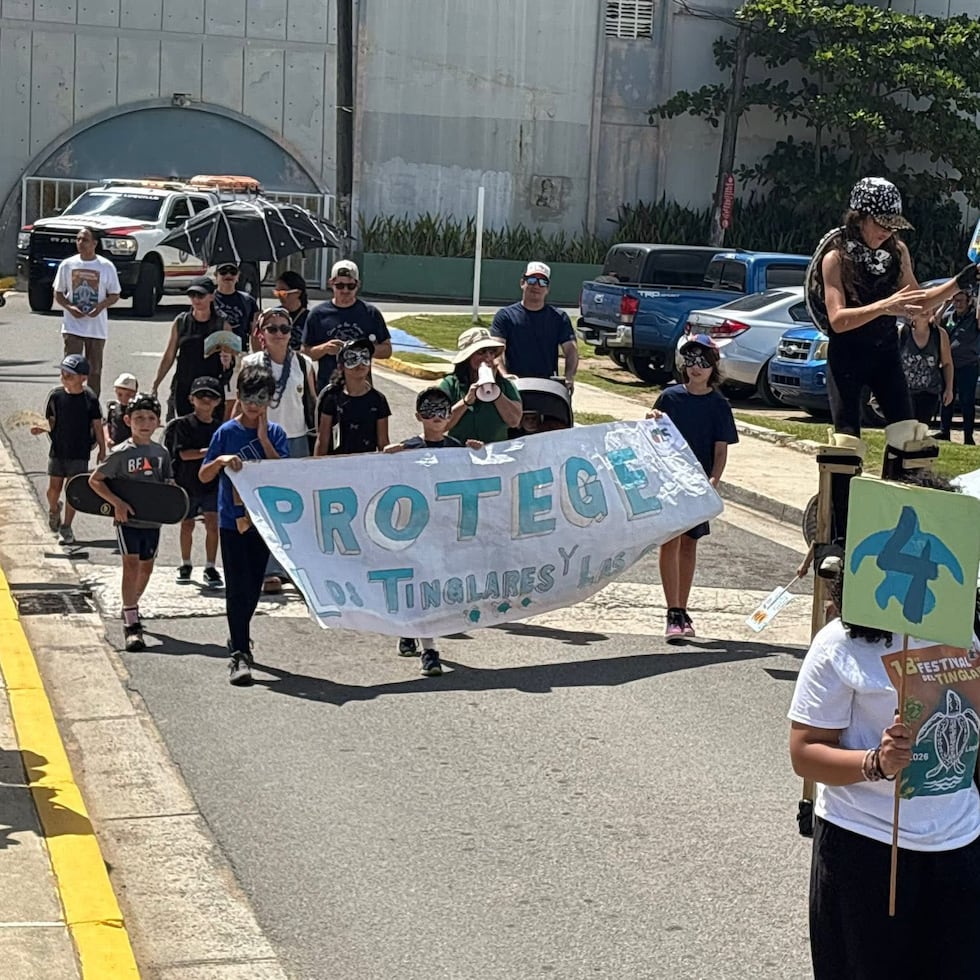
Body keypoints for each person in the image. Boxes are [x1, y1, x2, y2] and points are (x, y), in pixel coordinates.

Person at [788, 533, 980, 979]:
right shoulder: (840, 643)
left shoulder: (965, 630)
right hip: (867, 849)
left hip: (959, 844)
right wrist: (876, 762)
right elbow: (804, 753)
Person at [806, 176, 978, 439]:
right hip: (846, 356)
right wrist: (885, 306)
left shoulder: (897, 253)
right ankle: (842, 479)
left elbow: (919, 303)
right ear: (859, 217)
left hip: (885, 354)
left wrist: (957, 284)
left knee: (907, 438)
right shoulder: (836, 258)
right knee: (845, 443)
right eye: (880, 223)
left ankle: (903, 476)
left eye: (892, 225)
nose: (886, 231)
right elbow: (838, 320)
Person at [383, 387, 484, 676]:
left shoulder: (457, 449)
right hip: (413, 531)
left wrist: (478, 455)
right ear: (418, 416)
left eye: (443, 409)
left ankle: (412, 630)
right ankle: (429, 650)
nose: (437, 416)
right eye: (430, 410)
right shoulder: (408, 449)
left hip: (444, 532)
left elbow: (478, 478)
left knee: (432, 588)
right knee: (419, 584)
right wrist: (389, 457)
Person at [199, 365, 289, 687]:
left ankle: (239, 632)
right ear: (239, 396)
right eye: (248, 397)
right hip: (230, 520)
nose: (254, 404)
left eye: (261, 398)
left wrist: (264, 441)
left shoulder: (276, 434)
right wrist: (221, 461)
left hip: (262, 521)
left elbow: (284, 475)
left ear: (269, 400)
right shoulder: (226, 433)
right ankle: (240, 650)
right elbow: (204, 475)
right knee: (237, 586)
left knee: (253, 585)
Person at [648, 335, 738, 643]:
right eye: (690, 361)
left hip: (697, 485)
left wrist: (714, 480)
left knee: (690, 543)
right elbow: (652, 435)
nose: (695, 368)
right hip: (669, 482)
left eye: (702, 362)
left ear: (713, 367)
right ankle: (672, 611)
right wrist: (653, 420)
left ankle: (683, 608)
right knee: (669, 542)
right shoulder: (670, 398)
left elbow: (721, 449)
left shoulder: (719, 405)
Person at [88, 393, 172, 652]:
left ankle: (132, 603)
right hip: (128, 522)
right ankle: (131, 620)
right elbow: (95, 480)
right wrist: (117, 503)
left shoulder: (161, 453)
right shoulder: (120, 453)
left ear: (158, 422)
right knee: (131, 565)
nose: (144, 423)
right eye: (138, 418)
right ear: (128, 420)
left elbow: (167, 483)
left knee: (146, 569)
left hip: (152, 523)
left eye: (150, 418)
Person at [241, 307, 317, 594]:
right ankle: (268, 568)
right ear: (261, 334)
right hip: (262, 437)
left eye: (284, 328)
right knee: (265, 506)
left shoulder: (305, 363)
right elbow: (242, 402)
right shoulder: (250, 362)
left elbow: (312, 403)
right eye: (272, 328)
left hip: (295, 439)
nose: (279, 334)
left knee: (295, 507)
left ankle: (294, 568)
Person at [34, 353, 107, 546]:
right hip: (58, 450)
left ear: (83, 378)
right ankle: (53, 510)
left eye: (70, 374)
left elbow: (97, 425)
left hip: (80, 452)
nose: (65, 377)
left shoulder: (89, 398)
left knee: (72, 491)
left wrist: (102, 447)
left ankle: (66, 526)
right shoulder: (56, 396)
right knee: (53, 490)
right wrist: (40, 427)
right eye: (64, 373)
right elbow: (50, 419)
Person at [163, 376, 224, 589]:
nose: (206, 400)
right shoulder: (184, 425)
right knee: (187, 524)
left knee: (212, 524)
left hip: (212, 483)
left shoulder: (220, 428)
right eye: (201, 395)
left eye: (211, 396)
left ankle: (210, 565)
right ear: (191, 399)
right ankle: (186, 562)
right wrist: (208, 453)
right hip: (187, 482)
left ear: (218, 401)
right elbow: (183, 454)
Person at [301, 260, 392, 392]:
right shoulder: (318, 314)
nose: (345, 290)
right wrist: (325, 348)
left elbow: (387, 350)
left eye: (350, 286)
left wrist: (363, 349)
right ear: (331, 283)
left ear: (358, 285)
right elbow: (304, 353)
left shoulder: (370, 313)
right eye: (340, 285)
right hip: (328, 389)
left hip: (361, 390)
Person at [53, 226, 121, 397]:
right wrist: (70, 307)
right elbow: (58, 293)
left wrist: (100, 307)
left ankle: (91, 407)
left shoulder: (106, 266)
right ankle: (69, 400)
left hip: (96, 328)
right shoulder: (67, 265)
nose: (80, 243)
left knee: (94, 370)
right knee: (71, 368)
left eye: (85, 240)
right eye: (78, 239)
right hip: (73, 326)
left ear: (95, 243)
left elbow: (115, 294)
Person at [490, 260, 578, 389]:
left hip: (548, 387)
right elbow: (496, 350)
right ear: (522, 283)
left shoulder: (559, 318)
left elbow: (571, 350)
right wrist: (504, 376)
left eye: (543, 282)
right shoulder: (505, 316)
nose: (536, 286)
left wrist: (568, 376)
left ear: (547, 289)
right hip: (515, 385)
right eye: (532, 280)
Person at [151, 277, 231, 419]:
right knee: (184, 429)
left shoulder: (222, 325)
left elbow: (231, 362)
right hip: (185, 386)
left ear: (211, 296)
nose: (196, 300)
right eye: (192, 295)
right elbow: (169, 355)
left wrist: (227, 360)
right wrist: (156, 384)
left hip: (210, 388)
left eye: (201, 295)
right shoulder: (181, 322)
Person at [438, 327, 523, 444]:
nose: (487, 357)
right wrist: (466, 401)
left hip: (495, 454)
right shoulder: (450, 384)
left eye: (491, 352)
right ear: (468, 357)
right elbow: (439, 426)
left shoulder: (505, 385)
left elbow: (514, 421)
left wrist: (496, 394)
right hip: (460, 452)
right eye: (481, 352)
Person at [313, 338, 391, 456]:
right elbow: (323, 440)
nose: (359, 364)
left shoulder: (378, 400)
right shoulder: (331, 397)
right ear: (341, 367)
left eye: (365, 357)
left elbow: (383, 442)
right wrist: (317, 467)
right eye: (352, 358)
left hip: (366, 464)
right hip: (337, 463)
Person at [938, 290, 980, 443]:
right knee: (946, 398)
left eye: (961, 300)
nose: (957, 304)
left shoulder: (974, 318)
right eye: (955, 300)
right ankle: (944, 432)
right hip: (949, 364)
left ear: (969, 301)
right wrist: (944, 305)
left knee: (966, 401)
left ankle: (968, 436)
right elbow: (933, 323)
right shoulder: (949, 316)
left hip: (968, 365)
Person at [898, 311, 952, 427]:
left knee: (921, 431)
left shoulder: (939, 334)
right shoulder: (902, 332)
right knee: (905, 430)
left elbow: (947, 363)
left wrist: (949, 388)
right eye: (922, 307)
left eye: (929, 307)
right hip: (904, 392)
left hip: (929, 392)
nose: (925, 311)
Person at [212, 262, 258, 351]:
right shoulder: (208, 298)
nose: (228, 275)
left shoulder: (248, 301)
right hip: (214, 351)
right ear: (216, 276)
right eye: (223, 272)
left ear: (238, 276)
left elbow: (255, 332)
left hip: (239, 351)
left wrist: (258, 356)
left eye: (233, 272)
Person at [272, 270, 309, 351]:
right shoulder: (274, 315)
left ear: (298, 292)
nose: (279, 297)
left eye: (283, 293)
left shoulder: (309, 318)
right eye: (277, 293)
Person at [105, 372, 139, 448]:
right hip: (116, 447)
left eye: (128, 395)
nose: (124, 398)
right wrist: (108, 439)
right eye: (120, 394)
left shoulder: (136, 410)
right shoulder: (113, 408)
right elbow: (107, 424)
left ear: (135, 393)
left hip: (133, 448)